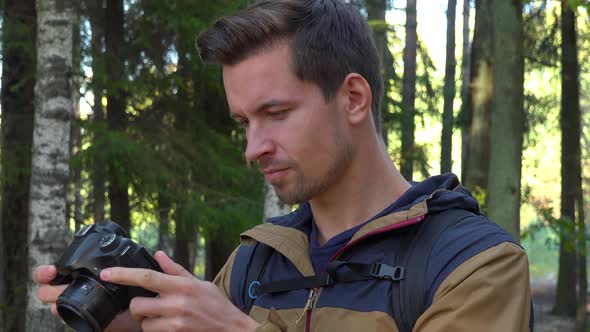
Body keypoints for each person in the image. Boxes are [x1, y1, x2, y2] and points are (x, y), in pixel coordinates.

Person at [34, 0, 533, 331]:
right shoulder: (257, 260)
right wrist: (134, 321)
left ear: (354, 98)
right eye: (244, 122)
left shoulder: (473, 265)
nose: (253, 148)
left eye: (275, 114)